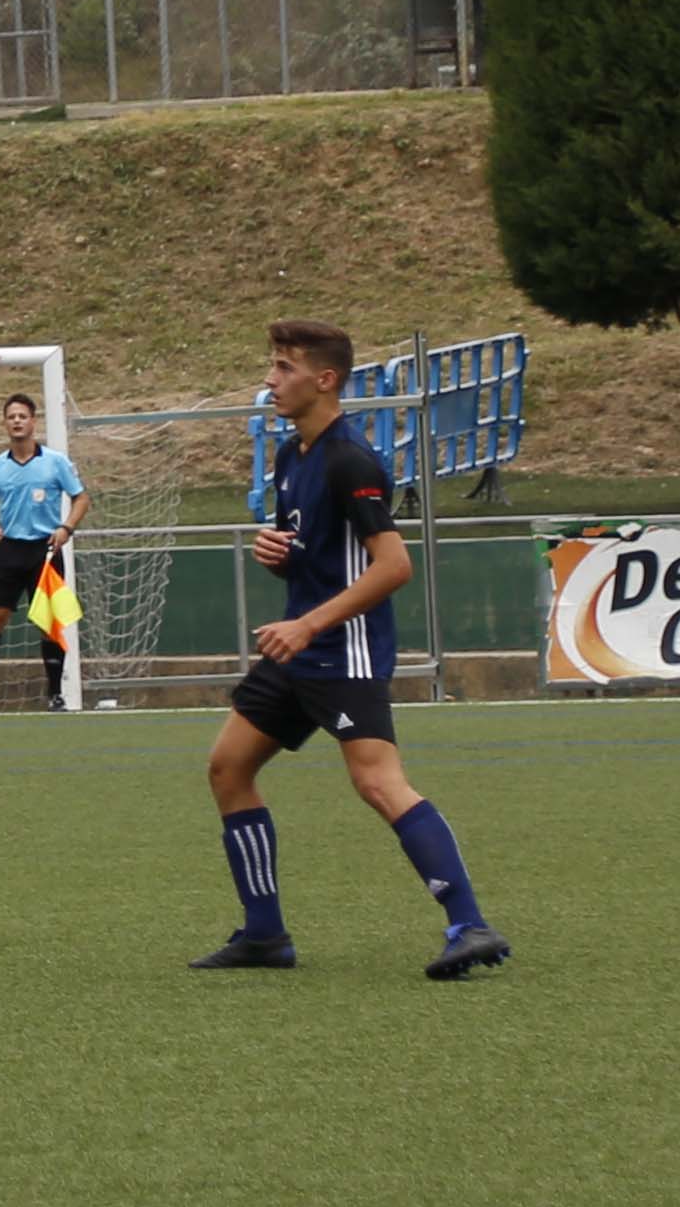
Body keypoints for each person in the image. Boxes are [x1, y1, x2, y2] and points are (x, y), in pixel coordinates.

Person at [195, 319, 509, 979]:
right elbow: (313, 555)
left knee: (376, 782)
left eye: (283, 368)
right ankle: (265, 935)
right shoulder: (292, 457)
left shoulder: (350, 459)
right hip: (297, 649)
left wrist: (310, 626)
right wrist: (276, 555)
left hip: (345, 651)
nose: (270, 380)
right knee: (227, 768)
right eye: (272, 365)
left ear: (325, 379)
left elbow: (393, 566)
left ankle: (469, 924)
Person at [0, 390, 87, 712]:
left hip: (45, 551)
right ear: (5, 424)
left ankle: (55, 694)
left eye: (22, 416)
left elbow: (81, 498)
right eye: (11, 417)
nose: (17, 422)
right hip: (10, 551)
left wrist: (66, 528)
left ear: (33, 421)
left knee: (49, 622)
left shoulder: (55, 462)